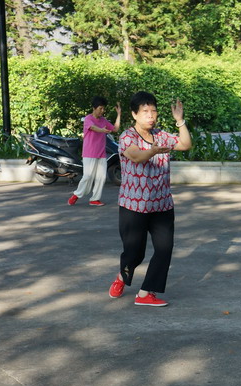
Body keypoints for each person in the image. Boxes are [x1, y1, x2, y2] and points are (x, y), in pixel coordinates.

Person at [108, 91, 192, 307]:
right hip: (134, 206)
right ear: (134, 114)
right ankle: (122, 276)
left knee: (164, 249)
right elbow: (136, 156)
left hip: (162, 204)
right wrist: (153, 151)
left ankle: (146, 293)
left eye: (153, 111)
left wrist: (180, 121)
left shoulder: (161, 135)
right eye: (145, 111)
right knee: (134, 253)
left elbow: (185, 144)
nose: (150, 115)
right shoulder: (127, 137)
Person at [68, 96, 121, 207]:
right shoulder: (88, 119)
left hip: (101, 153)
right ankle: (76, 195)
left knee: (101, 177)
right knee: (88, 176)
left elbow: (115, 129)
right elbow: (93, 128)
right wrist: (102, 130)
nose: (102, 111)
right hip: (89, 153)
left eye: (103, 108)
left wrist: (119, 114)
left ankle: (95, 199)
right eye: (100, 108)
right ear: (94, 108)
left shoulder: (103, 120)